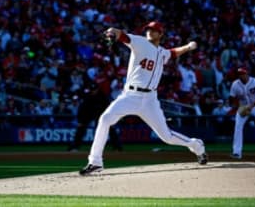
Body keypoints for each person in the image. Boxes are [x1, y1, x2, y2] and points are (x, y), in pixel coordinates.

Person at [79, 21, 207, 175]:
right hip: (130, 96)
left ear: (161, 34)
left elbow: (173, 52)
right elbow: (122, 35)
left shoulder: (162, 52)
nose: (150, 32)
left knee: (166, 136)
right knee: (105, 119)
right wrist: (112, 31)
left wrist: (187, 47)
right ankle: (95, 162)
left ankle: (197, 146)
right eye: (148, 29)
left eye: (154, 30)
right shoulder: (140, 42)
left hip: (150, 100)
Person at [228, 67, 255, 159]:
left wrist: (252, 105)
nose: (242, 75)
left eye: (243, 74)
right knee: (238, 127)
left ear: (247, 74)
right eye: (240, 74)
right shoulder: (235, 84)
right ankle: (237, 152)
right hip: (243, 107)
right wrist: (238, 106)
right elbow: (232, 98)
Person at [67, 81, 122, 152]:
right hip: (88, 113)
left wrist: (109, 119)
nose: (93, 91)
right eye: (92, 90)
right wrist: (80, 120)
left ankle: (117, 147)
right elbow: (82, 108)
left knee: (110, 128)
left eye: (94, 89)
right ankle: (74, 147)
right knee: (81, 128)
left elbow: (108, 108)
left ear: (97, 89)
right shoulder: (87, 96)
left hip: (100, 113)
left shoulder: (102, 96)